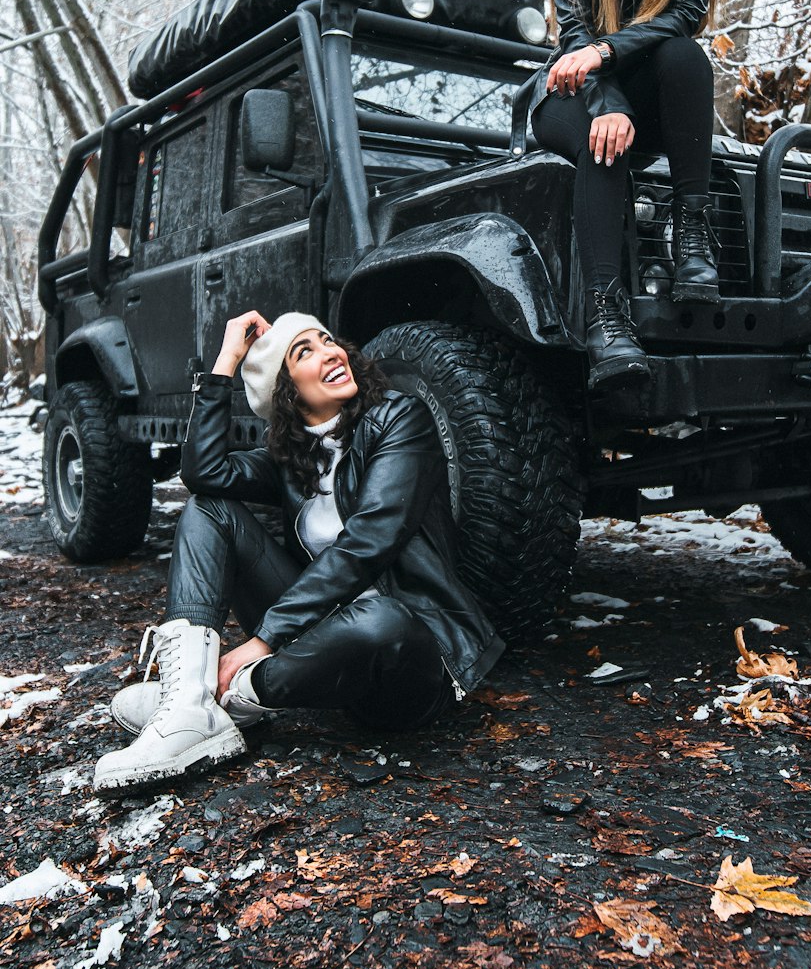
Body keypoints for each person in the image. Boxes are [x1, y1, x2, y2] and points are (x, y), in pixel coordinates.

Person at [93, 311, 504, 792]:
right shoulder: (291, 461)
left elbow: (370, 540)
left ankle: (219, 703)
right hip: (319, 644)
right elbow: (203, 473)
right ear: (283, 391)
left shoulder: (398, 419)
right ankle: (187, 705)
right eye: (303, 351)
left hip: (408, 660)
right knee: (209, 510)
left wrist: (264, 637)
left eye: (328, 340)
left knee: (379, 618)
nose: (331, 351)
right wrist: (225, 362)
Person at [528, 0, 726, 389]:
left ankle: (692, 236)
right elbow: (576, 38)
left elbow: (686, 17)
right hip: (569, 95)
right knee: (602, 139)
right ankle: (606, 318)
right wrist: (606, 98)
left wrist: (611, 59)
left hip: (651, 90)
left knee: (684, 57)